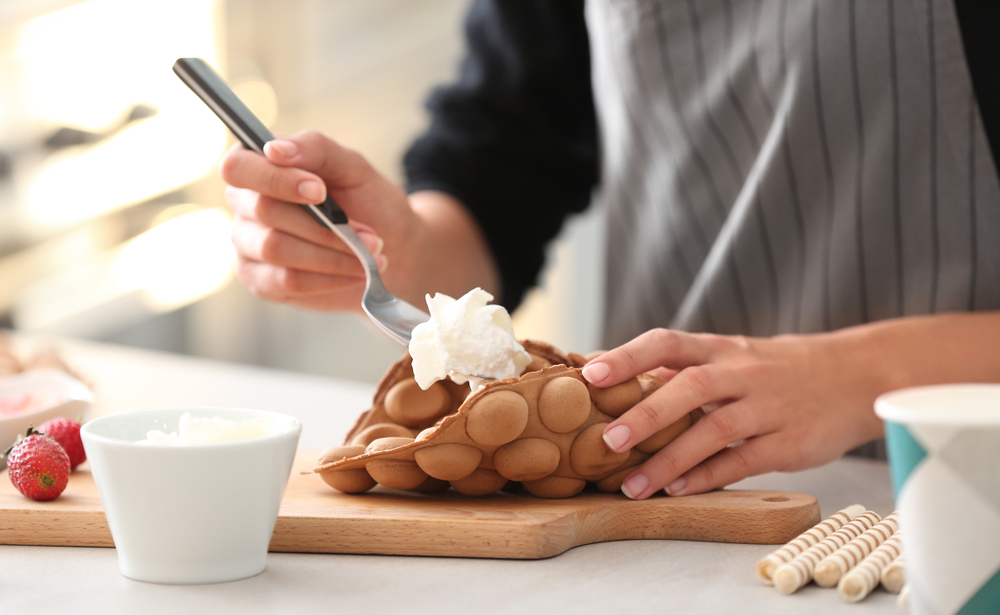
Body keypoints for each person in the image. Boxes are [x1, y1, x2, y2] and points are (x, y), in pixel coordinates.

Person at [219, 0, 1000, 500]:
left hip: (964, 499)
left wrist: (861, 376)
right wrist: (394, 250)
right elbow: (500, 176)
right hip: (653, 499)